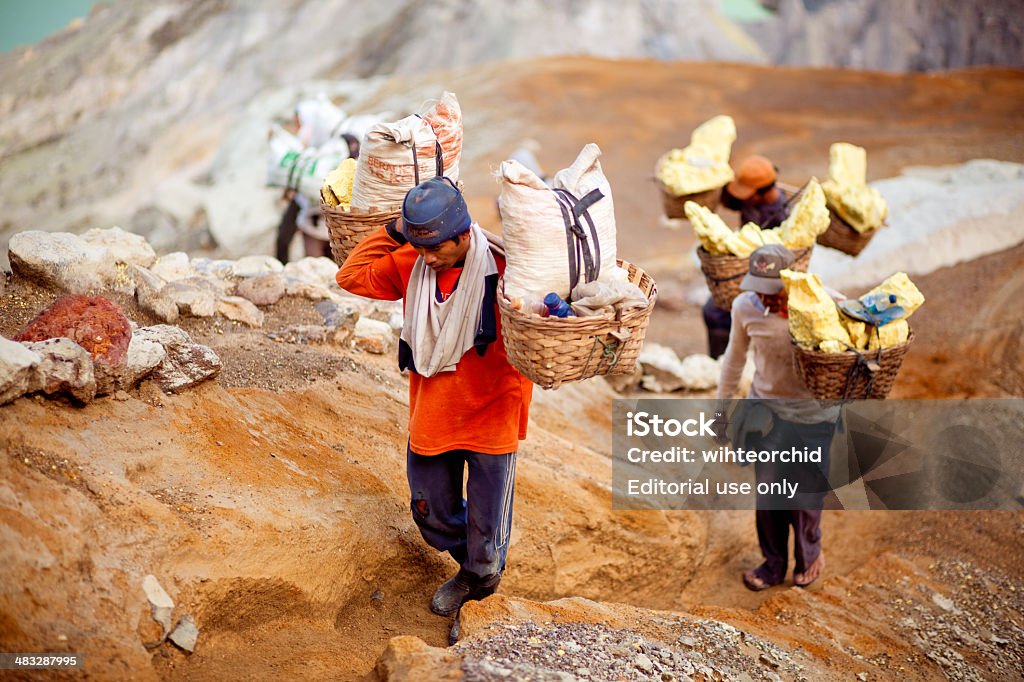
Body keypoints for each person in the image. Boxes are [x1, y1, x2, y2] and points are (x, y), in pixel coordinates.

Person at [335, 177, 534, 618]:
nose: (427, 258)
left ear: (464, 236)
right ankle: (479, 565)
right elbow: (349, 276)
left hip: (492, 412)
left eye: (437, 248)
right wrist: (392, 232)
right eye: (419, 247)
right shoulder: (413, 261)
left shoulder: (508, 270)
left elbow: (552, 312)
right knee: (431, 513)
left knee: (488, 524)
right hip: (434, 412)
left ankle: (481, 583)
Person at [716, 244, 839, 591]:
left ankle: (809, 556)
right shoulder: (745, 308)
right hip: (765, 413)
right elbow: (733, 360)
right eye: (760, 291)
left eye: (774, 292)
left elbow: (855, 330)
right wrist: (721, 412)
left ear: (791, 279)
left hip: (813, 417)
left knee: (804, 497)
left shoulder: (819, 301)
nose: (767, 299)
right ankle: (772, 565)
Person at [703, 155, 791, 358]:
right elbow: (728, 200)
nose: (743, 197)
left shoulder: (782, 216)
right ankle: (720, 362)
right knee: (713, 311)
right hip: (741, 266)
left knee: (718, 313)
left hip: (763, 276)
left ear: (763, 192)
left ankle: (725, 363)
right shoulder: (750, 199)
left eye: (747, 193)